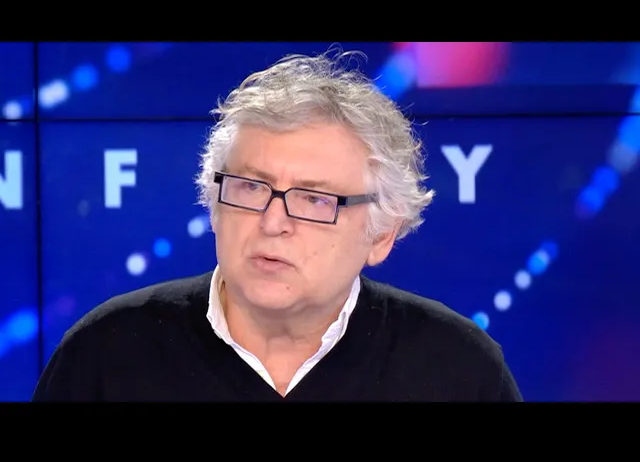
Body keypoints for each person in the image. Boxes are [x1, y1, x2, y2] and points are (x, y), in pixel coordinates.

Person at [32, 48, 522, 402]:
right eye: (250, 187)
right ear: (214, 206)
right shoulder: (105, 355)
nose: (273, 221)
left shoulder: (458, 370)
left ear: (381, 235)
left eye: (314, 199)